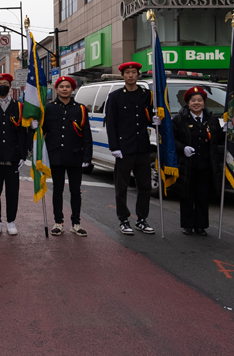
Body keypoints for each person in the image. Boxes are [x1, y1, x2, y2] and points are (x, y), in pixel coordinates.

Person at [105, 62, 161, 235]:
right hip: (123, 147)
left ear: (138, 75)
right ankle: (123, 219)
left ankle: (142, 219)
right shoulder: (115, 96)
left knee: (144, 186)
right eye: (127, 73)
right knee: (121, 187)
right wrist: (114, 146)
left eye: (134, 72)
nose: (130, 75)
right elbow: (111, 124)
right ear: (122, 76)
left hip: (142, 146)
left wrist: (156, 120)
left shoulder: (147, 95)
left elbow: (148, 116)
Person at [41, 76, 92, 236]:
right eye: (61, 86)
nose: (64, 89)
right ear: (56, 89)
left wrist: (87, 157)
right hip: (55, 156)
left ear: (72, 89)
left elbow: (86, 135)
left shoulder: (80, 109)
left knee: (75, 191)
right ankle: (58, 222)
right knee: (57, 190)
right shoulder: (48, 109)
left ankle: (76, 223)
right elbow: (41, 132)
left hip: (75, 155)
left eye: (67, 86)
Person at [171, 86, 221, 236]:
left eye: (199, 100)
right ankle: (187, 225)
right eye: (193, 100)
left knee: (203, 195)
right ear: (188, 102)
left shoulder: (211, 119)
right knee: (186, 195)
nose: (196, 103)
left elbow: (217, 140)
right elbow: (172, 140)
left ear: (204, 102)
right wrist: (182, 148)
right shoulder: (179, 119)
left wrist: (228, 129)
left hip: (206, 164)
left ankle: (201, 225)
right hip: (187, 164)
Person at [0, 73, 28, 236]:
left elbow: (23, 133)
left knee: (12, 192)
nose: (2, 86)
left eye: (5, 83)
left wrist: (23, 155)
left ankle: (11, 221)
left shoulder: (19, 107)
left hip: (12, 156)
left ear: (10, 86)